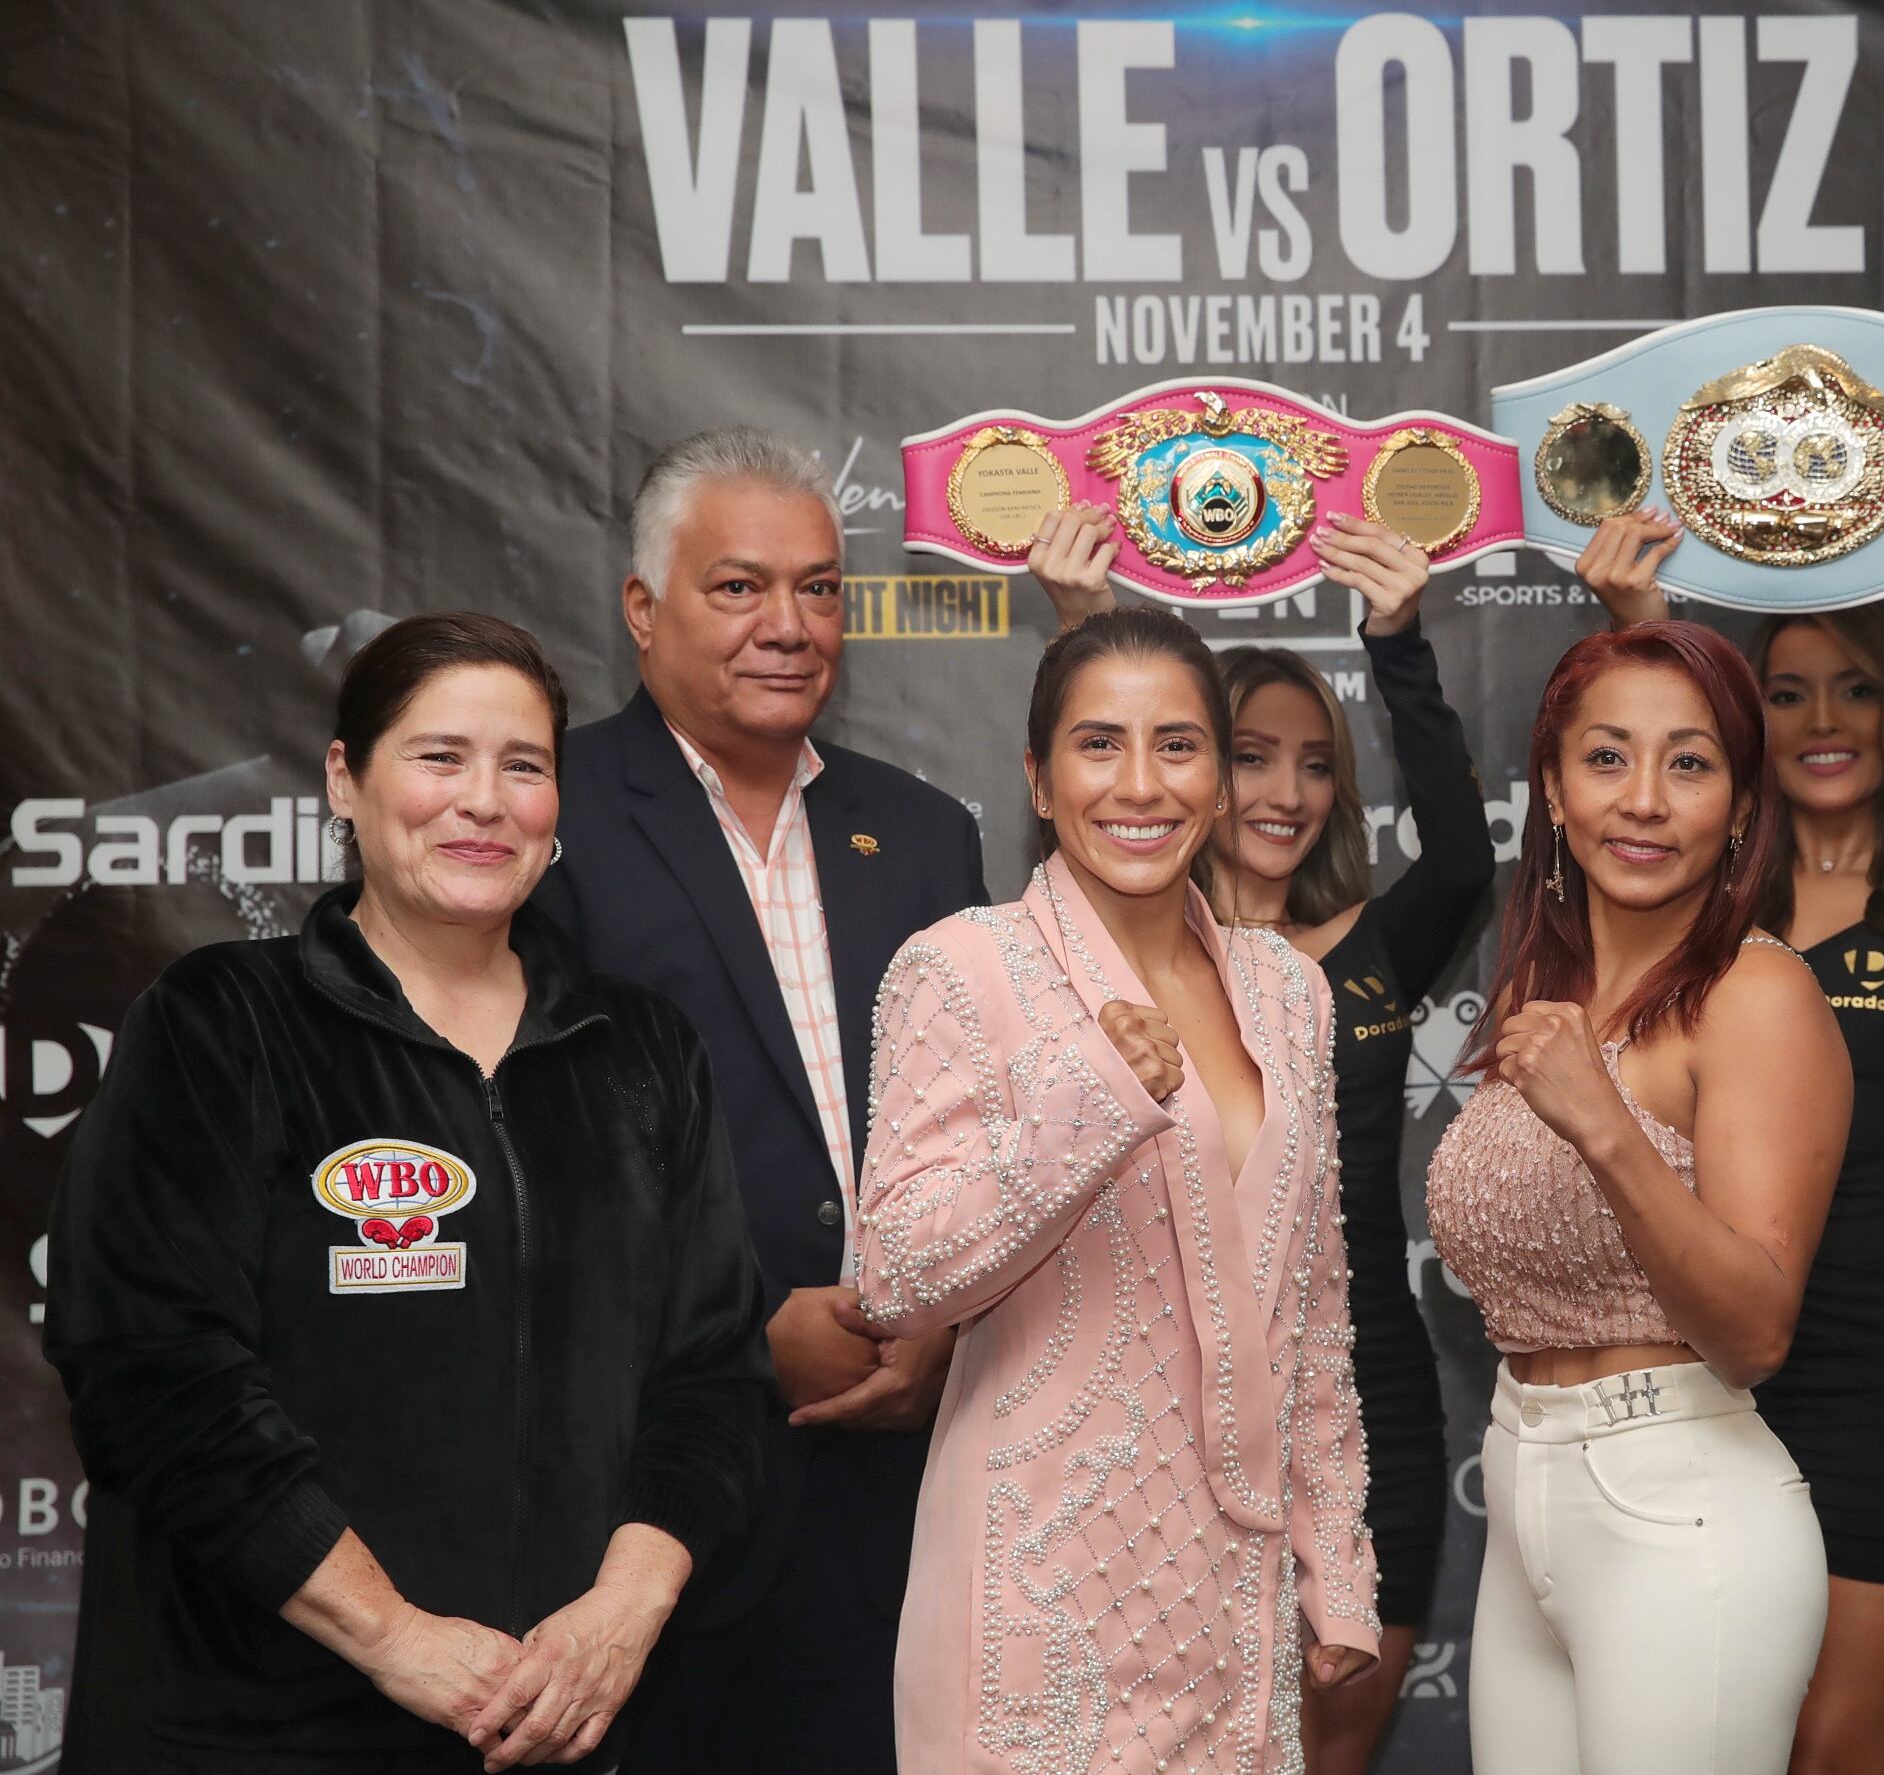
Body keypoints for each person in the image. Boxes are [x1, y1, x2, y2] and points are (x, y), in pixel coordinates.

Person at [42, 612, 769, 1773]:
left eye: (523, 767)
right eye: (440, 756)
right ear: (346, 777)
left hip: (553, 1726)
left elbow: (713, 1373)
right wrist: (395, 1640)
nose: (483, 801)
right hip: (255, 1728)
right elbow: (153, 1370)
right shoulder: (222, 1025)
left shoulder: (638, 1052)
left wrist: (620, 1613)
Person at [1577, 504, 1884, 1774]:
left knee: (1839, 1749)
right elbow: (1616, 799)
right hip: (1698, 1378)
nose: (1819, 722)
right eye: (1786, 695)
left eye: (1853, 690)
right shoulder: (1686, 907)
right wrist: (1646, 639)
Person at [530, 427, 989, 1771]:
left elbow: (981, 1125)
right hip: (655, 1474)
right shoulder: (552, 816)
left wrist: (945, 1328)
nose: (788, 626)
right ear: (641, 608)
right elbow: (542, 1150)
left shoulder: (924, 834)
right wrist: (742, 1325)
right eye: (738, 588)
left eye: (819, 589)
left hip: (908, 1464)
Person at [852, 606, 1379, 1773]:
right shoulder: (959, 966)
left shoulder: (1286, 988)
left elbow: (1315, 1306)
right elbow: (894, 1276)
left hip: (1234, 1598)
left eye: (1179, 746)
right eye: (1099, 746)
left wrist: (1333, 1557)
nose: (1141, 785)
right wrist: (1093, 1095)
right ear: (1038, 781)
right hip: (1033, 1594)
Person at [1027, 501, 1496, 1769]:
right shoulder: (1106, 951)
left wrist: (1395, 636)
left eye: (1315, 762)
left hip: (1364, 1399)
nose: (1285, 792)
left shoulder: (1371, 952)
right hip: (1160, 1400)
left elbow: (1463, 852)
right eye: (1248, 756)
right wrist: (1088, 628)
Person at [1424, 618, 1851, 1775]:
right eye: (1607, 757)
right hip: (1525, 1495)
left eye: (1691, 762)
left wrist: (1608, 1127)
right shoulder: (1545, 981)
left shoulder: (1757, 995)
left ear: (1743, 807)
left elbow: (1756, 1329)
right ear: (1554, 792)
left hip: (1684, 1515)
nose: (1645, 800)